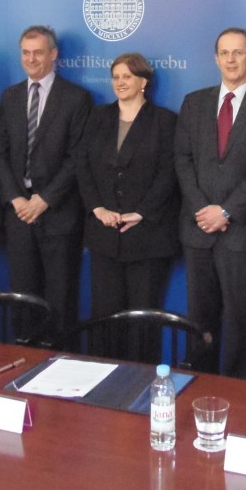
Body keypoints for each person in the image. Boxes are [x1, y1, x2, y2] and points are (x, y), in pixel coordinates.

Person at [174, 27, 246, 380]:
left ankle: (240, 393)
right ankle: (200, 382)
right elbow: (183, 159)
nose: (231, 59)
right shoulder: (194, 103)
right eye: (224, 52)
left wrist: (226, 211)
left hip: (243, 232)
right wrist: (202, 210)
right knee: (200, 319)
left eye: (238, 52)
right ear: (216, 58)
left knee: (242, 321)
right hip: (198, 231)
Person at [0, 25, 92, 334]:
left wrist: (45, 198)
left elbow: (78, 158)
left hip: (59, 215)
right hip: (19, 213)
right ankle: (24, 363)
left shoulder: (76, 98)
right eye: (26, 52)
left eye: (38, 52)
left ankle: (59, 366)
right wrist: (17, 199)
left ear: (53, 54)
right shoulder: (9, 97)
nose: (31, 58)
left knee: (60, 300)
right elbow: (0, 154)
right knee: (22, 298)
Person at [75, 53, 179, 319]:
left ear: (143, 81)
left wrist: (142, 212)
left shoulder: (165, 121)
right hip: (104, 234)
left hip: (147, 236)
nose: (120, 83)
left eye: (127, 77)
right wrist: (97, 208)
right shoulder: (97, 117)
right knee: (104, 316)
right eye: (116, 77)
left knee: (141, 319)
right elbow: (82, 165)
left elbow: (168, 174)